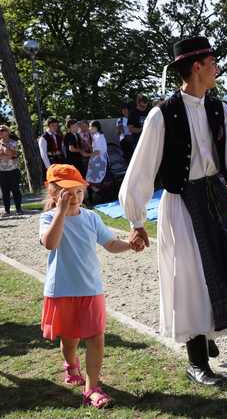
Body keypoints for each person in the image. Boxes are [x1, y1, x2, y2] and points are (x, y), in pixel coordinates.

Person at [119, 36, 227, 385]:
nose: (216, 68)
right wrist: (136, 220)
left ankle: (208, 329)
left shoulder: (218, 108)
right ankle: (197, 360)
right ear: (196, 67)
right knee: (192, 280)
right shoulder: (161, 115)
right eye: (212, 62)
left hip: (217, 198)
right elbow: (142, 168)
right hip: (182, 203)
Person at [39, 164, 135, 408]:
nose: (74, 197)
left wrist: (130, 244)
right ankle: (71, 364)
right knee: (70, 340)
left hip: (91, 289)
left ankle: (92, 387)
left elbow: (110, 244)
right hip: (62, 290)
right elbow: (50, 243)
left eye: (78, 192)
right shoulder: (49, 217)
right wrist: (60, 212)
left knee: (95, 337)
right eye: (67, 193)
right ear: (54, 194)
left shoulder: (91, 217)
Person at [0, 125, 22, 216]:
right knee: (5, 191)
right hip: (2, 171)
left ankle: (18, 209)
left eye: (2, 130)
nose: (1, 132)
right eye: (0, 131)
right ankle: (7, 210)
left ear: (7, 131)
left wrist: (5, 152)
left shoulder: (14, 142)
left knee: (15, 190)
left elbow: (13, 155)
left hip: (13, 170)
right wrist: (8, 154)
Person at [85, 121, 109, 204]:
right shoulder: (96, 136)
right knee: (90, 179)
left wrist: (87, 154)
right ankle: (97, 197)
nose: (89, 128)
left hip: (99, 160)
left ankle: (101, 196)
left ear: (96, 127)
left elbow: (98, 151)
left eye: (91, 127)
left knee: (93, 179)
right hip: (96, 160)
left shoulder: (99, 137)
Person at [123, 94, 150, 164]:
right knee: (139, 160)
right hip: (137, 140)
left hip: (149, 139)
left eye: (145, 106)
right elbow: (131, 129)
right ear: (138, 103)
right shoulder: (133, 113)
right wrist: (142, 129)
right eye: (141, 106)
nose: (143, 108)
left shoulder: (148, 111)